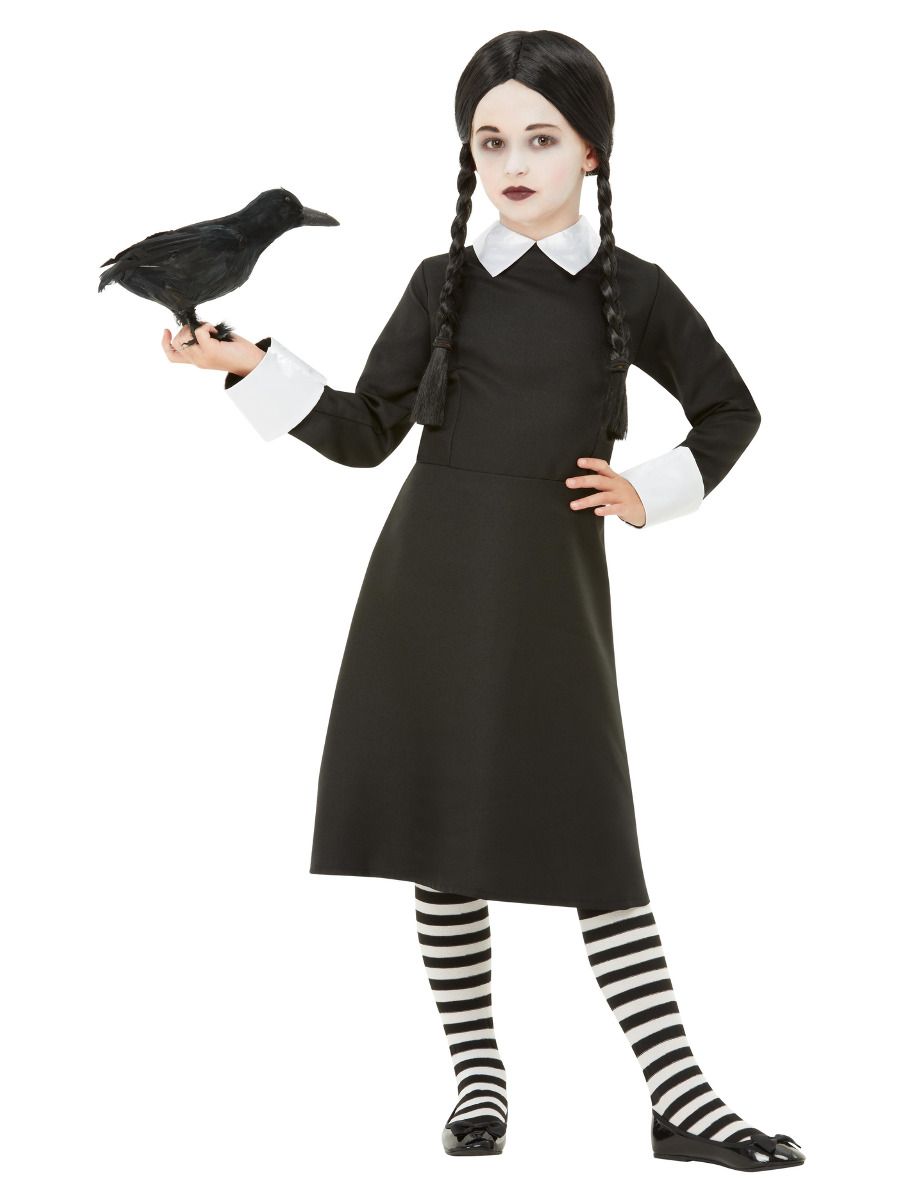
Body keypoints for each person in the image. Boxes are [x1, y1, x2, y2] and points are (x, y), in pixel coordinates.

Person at [162, 29, 804, 1172]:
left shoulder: (634, 290)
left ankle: (680, 1095)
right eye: (490, 139)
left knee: (595, 840)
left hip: (553, 594)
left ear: (592, 151)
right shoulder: (440, 284)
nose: (513, 161)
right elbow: (366, 434)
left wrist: (649, 490)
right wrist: (251, 366)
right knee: (444, 833)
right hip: (429, 584)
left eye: (541, 139)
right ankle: (478, 1079)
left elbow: (731, 410)